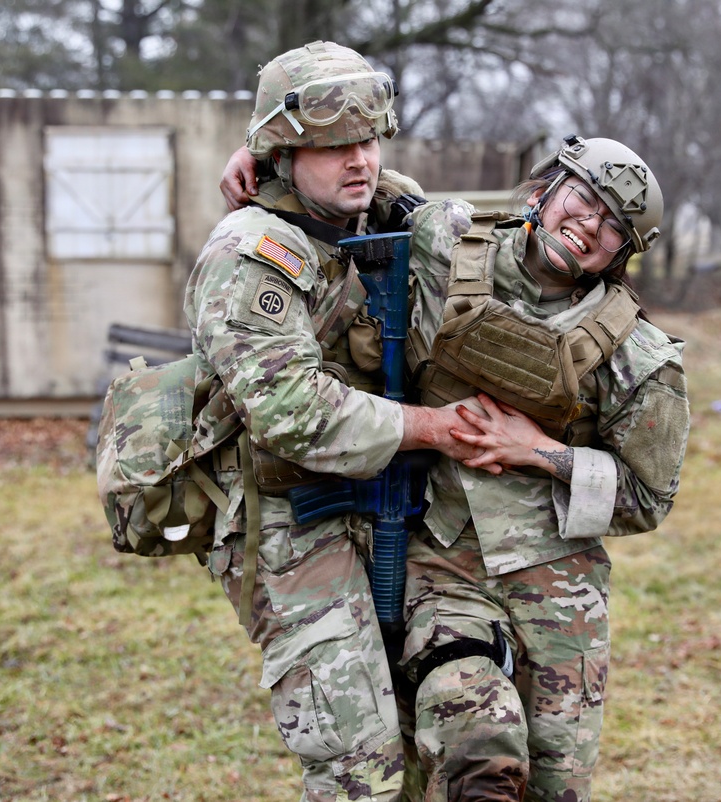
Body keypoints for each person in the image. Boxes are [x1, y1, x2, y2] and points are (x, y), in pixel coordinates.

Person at [222, 133, 690, 802]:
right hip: (442, 567)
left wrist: (538, 451)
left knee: (557, 784)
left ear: (624, 253)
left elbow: (647, 498)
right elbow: (355, 186)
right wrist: (262, 155)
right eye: (583, 199)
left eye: (614, 225)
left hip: (562, 591)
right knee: (475, 743)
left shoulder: (639, 358)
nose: (590, 225)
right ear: (544, 191)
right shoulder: (444, 242)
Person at [186, 40, 486, 802]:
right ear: (283, 156)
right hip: (286, 513)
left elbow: (482, 232)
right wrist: (432, 428)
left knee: (442, 717)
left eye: (369, 140)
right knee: (359, 759)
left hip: (382, 497)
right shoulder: (251, 255)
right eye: (332, 146)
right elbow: (290, 411)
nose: (360, 160)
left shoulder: (371, 210)